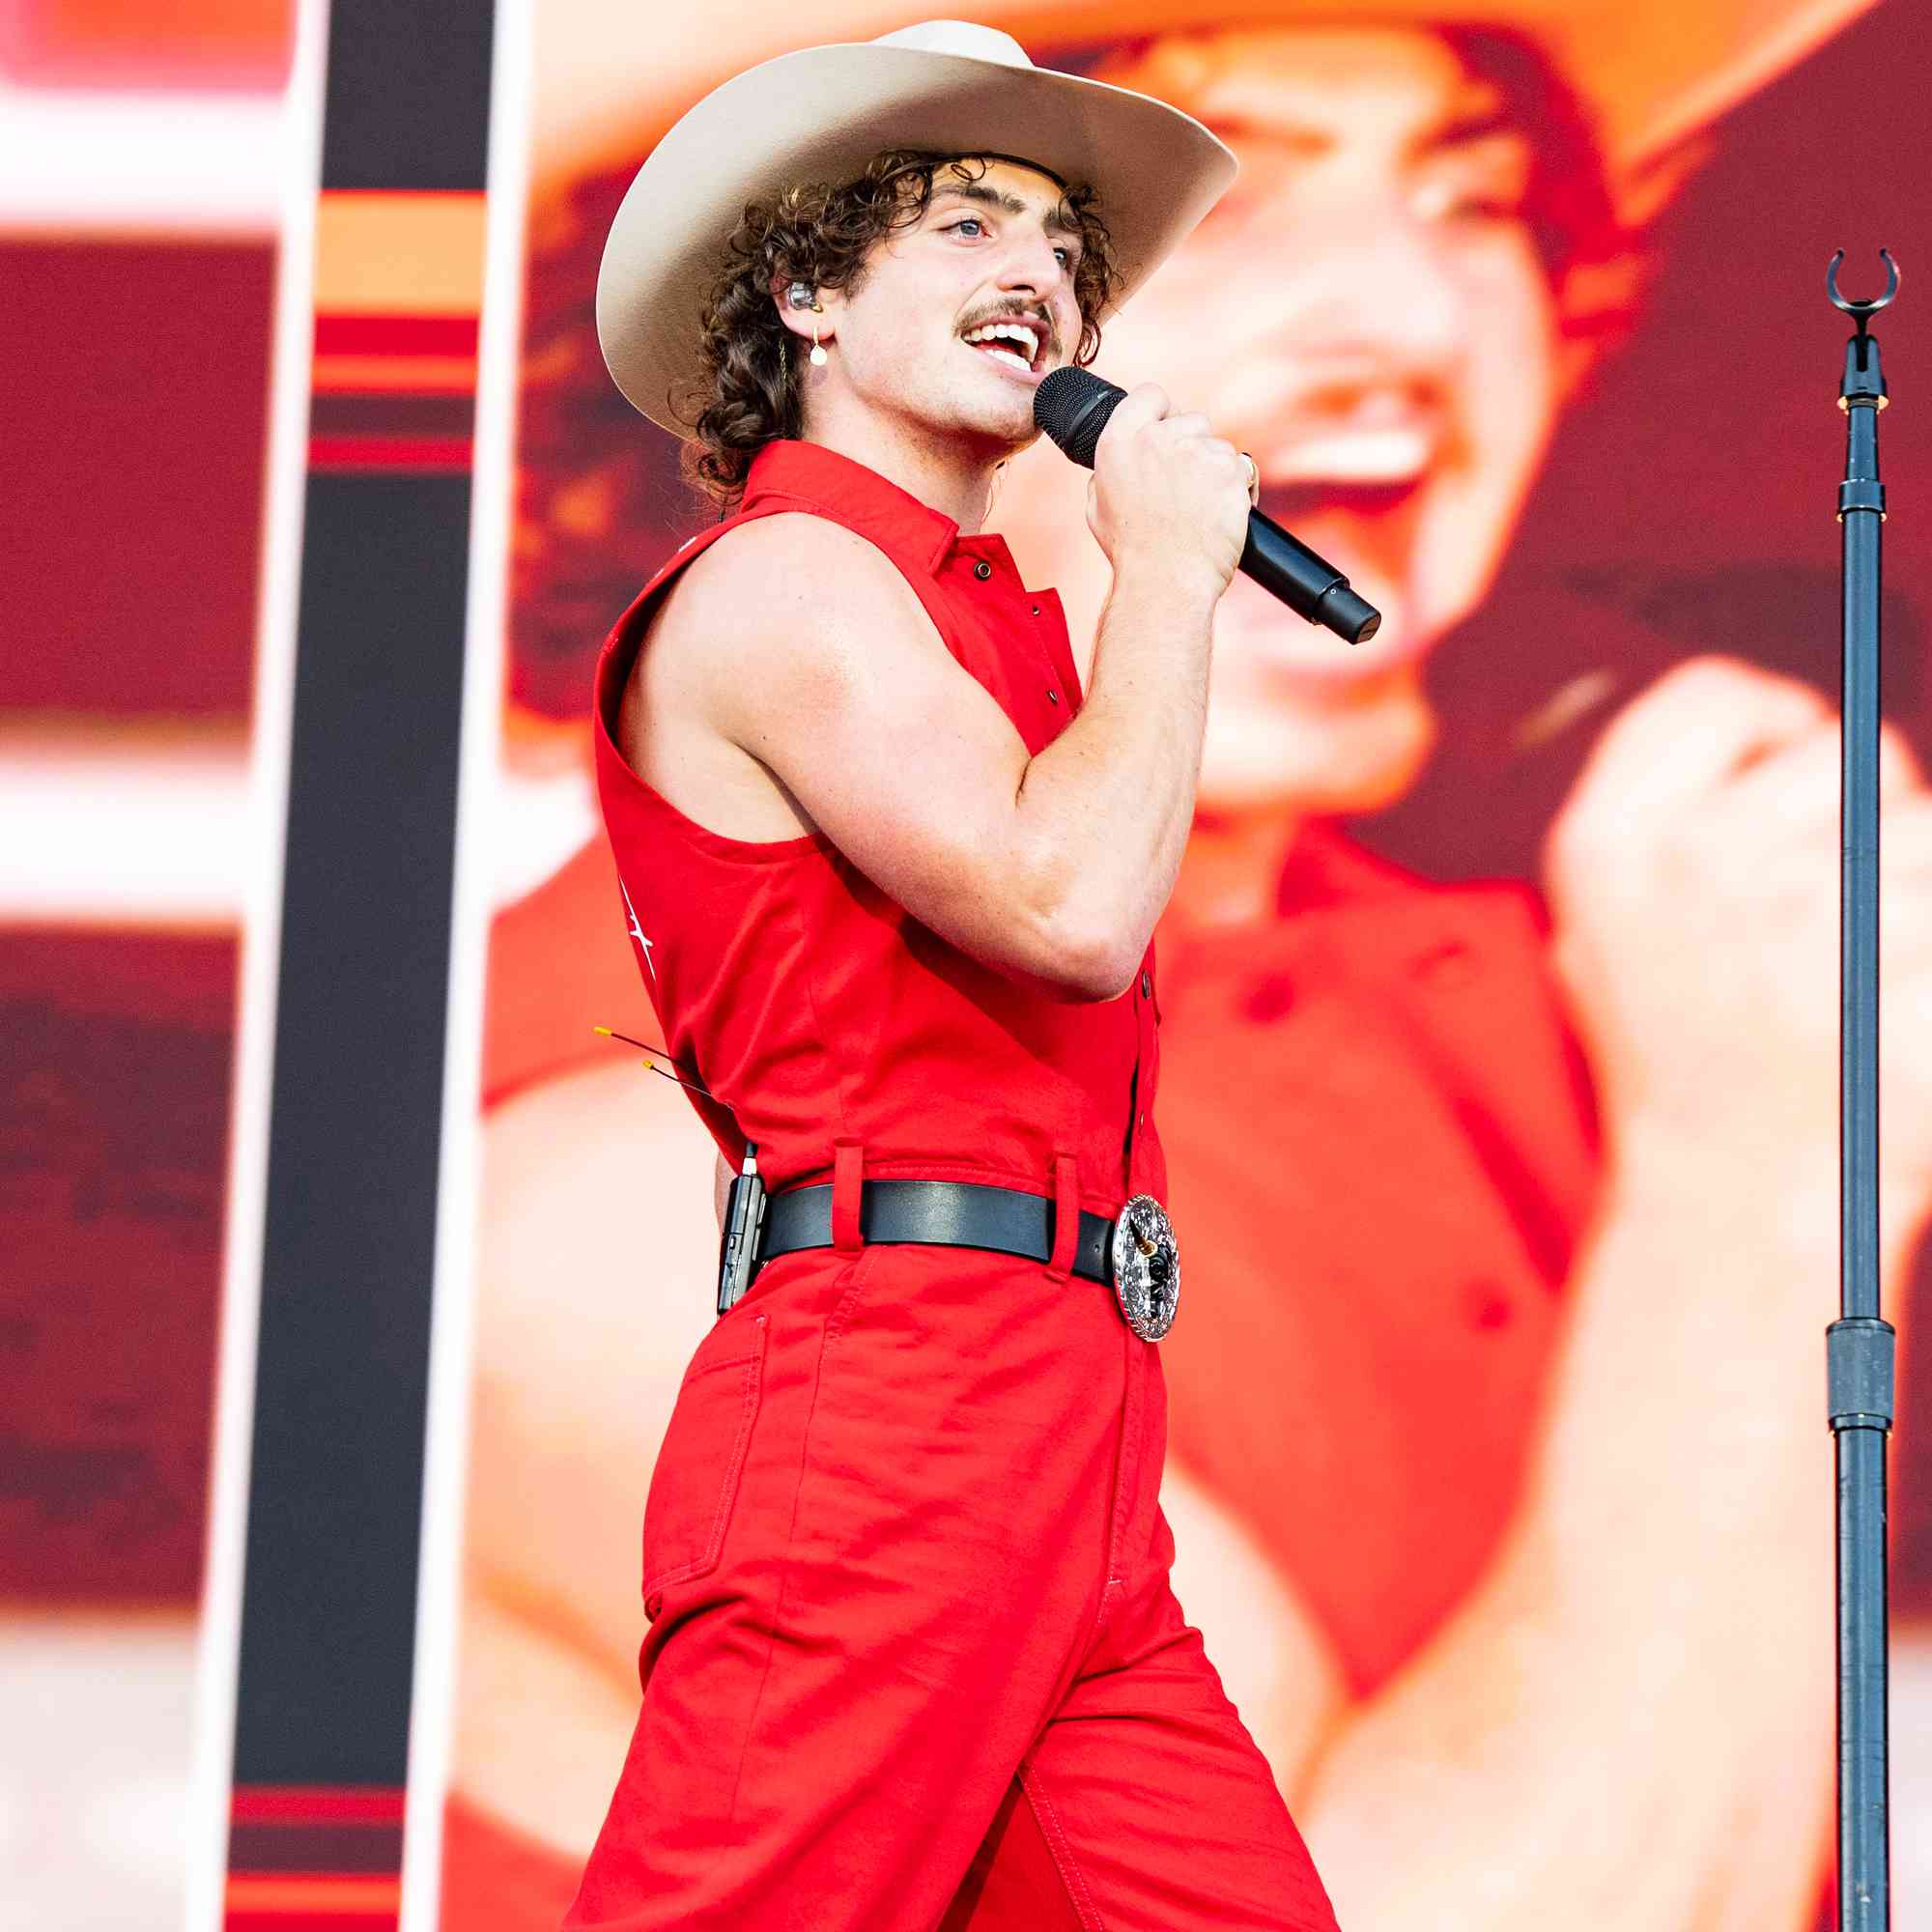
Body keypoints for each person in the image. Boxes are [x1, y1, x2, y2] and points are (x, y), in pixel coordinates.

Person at [446, 6, 1930, 1929]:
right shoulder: (617, 1220)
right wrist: (1763, 1176)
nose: (1404, 307)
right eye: (1202, 206)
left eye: (1470, 196)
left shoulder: (1597, 965)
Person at [553, 20, 1340, 1928]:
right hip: (892, 1409)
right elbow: (1065, 908)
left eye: (1062, 244)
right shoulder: (793, 584)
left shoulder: (981, 627)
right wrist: (1161, 574)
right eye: (964, 222)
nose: (1038, 274)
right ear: (807, 291)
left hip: (1066, 1434)